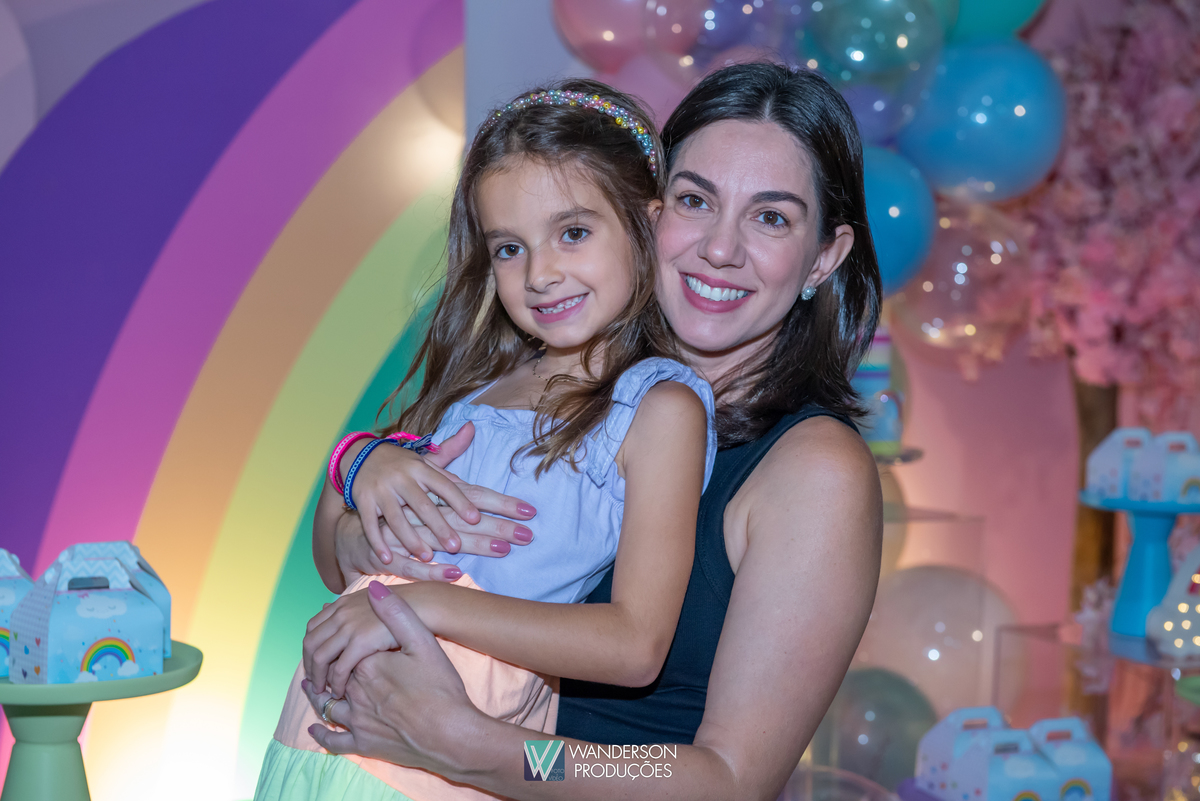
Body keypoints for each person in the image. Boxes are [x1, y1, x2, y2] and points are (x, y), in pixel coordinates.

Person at [304, 62, 884, 799]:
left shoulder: (816, 471)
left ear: (824, 258)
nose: (720, 248)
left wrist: (484, 750)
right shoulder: (547, 376)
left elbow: (729, 780)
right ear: (646, 212)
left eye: (771, 217)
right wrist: (367, 514)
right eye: (695, 200)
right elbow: (346, 548)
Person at [254, 79, 719, 801]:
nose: (540, 274)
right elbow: (336, 561)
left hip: (450, 734)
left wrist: (424, 604)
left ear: (647, 224)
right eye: (509, 248)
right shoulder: (478, 388)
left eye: (573, 232)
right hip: (321, 721)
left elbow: (635, 646)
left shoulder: (657, 408)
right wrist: (357, 467)